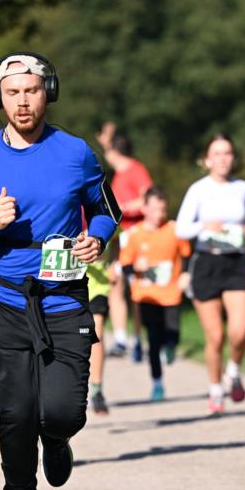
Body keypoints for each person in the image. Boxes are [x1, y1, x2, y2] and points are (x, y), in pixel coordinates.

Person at [0, 52, 120, 490]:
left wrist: (98, 239)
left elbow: (106, 209)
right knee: (15, 412)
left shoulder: (75, 152)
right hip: (1, 300)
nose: (23, 101)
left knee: (61, 412)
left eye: (32, 90)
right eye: (13, 92)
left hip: (64, 296)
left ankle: (59, 437)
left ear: (48, 93)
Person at [175, 133, 245, 414]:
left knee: (239, 331)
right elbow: (181, 229)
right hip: (207, 264)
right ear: (207, 159)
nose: (223, 158)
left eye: (228, 153)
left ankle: (233, 371)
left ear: (233, 158)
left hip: (236, 262)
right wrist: (203, 226)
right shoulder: (198, 190)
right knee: (215, 337)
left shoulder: (243, 188)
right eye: (218, 153)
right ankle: (215, 389)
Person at [120, 186, 191, 401]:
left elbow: (187, 255)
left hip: (171, 292)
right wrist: (136, 267)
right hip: (145, 294)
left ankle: (171, 346)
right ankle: (157, 383)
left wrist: (186, 275)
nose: (160, 214)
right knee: (153, 338)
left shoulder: (175, 230)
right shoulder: (135, 235)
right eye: (155, 209)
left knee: (172, 332)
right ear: (145, 209)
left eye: (163, 209)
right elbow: (124, 267)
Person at [96, 122, 153, 359]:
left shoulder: (135, 169)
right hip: (120, 237)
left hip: (137, 234)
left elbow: (148, 199)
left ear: (118, 154)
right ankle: (120, 338)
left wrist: (124, 208)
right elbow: (107, 152)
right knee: (115, 283)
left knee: (136, 288)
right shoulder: (119, 173)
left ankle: (139, 337)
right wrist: (107, 140)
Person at [86, 255, 113, 415]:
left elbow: (115, 240)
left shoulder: (114, 227)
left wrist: (115, 263)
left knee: (96, 334)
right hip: (66, 286)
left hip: (98, 287)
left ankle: (96, 389)